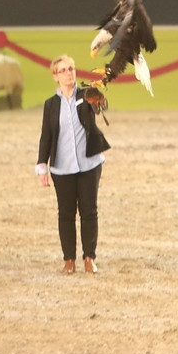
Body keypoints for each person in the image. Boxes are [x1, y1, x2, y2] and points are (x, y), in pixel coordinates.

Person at [35, 55, 110, 275]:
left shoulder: (85, 94)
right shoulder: (51, 105)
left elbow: (100, 107)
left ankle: (89, 258)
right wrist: (42, 165)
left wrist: (100, 102)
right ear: (55, 76)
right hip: (62, 167)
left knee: (89, 211)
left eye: (72, 68)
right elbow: (46, 136)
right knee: (66, 214)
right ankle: (69, 260)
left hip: (89, 164)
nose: (69, 73)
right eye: (64, 70)